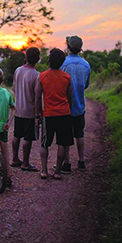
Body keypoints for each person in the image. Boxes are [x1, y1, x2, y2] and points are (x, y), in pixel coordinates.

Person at [36, 48, 74, 179]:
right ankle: (57, 172)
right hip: (64, 114)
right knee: (62, 143)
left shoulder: (42, 76)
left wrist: (38, 115)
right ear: (62, 62)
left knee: (44, 143)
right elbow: (70, 98)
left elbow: (37, 98)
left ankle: (44, 170)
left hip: (49, 115)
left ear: (48, 61)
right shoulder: (67, 77)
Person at [60, 35, 91, 173]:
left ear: (68, 47)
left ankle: (66, 164)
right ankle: (81, 161)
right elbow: (86, 85)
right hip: (79, 107)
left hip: (65, 107)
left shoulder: (63, 64)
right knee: (79, 134)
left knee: (66, 136)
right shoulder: (86, 65)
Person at [11, 47, 40, 172]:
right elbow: (37, 96)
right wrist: (38, 115)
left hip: (18, 109)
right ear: (38, 59)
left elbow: (15, 88)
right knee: (28, 137)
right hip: (30, 111)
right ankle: (26, 163)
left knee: (17, 134)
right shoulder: (36, 75)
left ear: (26, 57)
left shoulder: (17, 70)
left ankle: (15, 159)